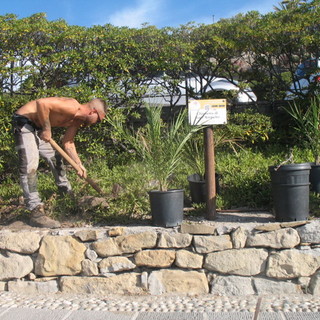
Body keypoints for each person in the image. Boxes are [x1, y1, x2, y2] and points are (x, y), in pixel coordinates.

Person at [12, 97, 107, 228]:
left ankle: (66, 195)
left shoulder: (76, 120)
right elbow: (42, 103)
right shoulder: (72, 106)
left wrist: (78, 164)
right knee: (30, 165)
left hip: (38, 128)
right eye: (99, 119)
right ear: (93, 112)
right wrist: (47, 129)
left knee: (57, 160)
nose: (96, 123)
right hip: (25, 122)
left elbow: (68, 142)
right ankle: (35, 210)